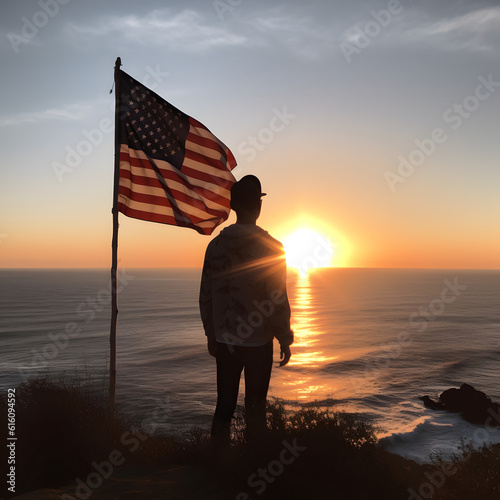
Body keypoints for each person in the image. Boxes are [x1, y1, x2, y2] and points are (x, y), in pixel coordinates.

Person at [199, 174, 293, 445]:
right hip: (258, 343)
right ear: (258, 207)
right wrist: (284, 338)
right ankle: (252, 469)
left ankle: (218, 464)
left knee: (224, 407)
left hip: (225, 341)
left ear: (233, 207)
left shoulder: (215, 246)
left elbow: (205, 295)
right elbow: (277, 298)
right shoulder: (272, 247)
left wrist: (211, 333)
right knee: (255, 410)